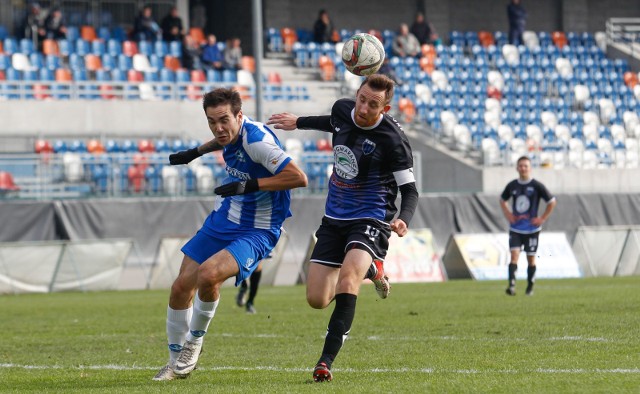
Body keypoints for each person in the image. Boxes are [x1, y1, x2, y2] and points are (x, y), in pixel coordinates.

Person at [267, 74, 419, 382]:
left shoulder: (393, 141)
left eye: (373, 105)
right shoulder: (343, 109)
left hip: (372, 218)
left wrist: (404, 218)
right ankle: (373, 271)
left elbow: (411, 189)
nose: (363, 108)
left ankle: (325, 362)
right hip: (334, 217)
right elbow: (332, 122)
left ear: (385, 108)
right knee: (317, 299)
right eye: (361, 99)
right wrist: (299, 122)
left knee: (348, 279)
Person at [152, 88, 308, 381]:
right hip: (225, 217)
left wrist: (249, 186)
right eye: (212, 121)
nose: (218, 128)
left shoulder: (258, 142)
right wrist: (195, 153)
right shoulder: (229, 132)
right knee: (179, 288)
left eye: (224, 120)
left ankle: (194, 343)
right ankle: (176, 363)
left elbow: (298, 177)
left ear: (239, 115)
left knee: (209, 275)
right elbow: (224, 138)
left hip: (259, 227)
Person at [500, 156, 556, 296]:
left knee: (531, 259)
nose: (523, 168)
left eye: (525, 166)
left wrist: (542, 218)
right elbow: (502, 200)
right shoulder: (512, 185)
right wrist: (508, 214)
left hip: (532, 229)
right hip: (516, 228)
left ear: (530, 168)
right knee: (514, 256)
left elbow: (552, 201)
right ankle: (511, 286)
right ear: (517, 168)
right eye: (521, 166)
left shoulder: (537, 185)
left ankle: (530, 286)